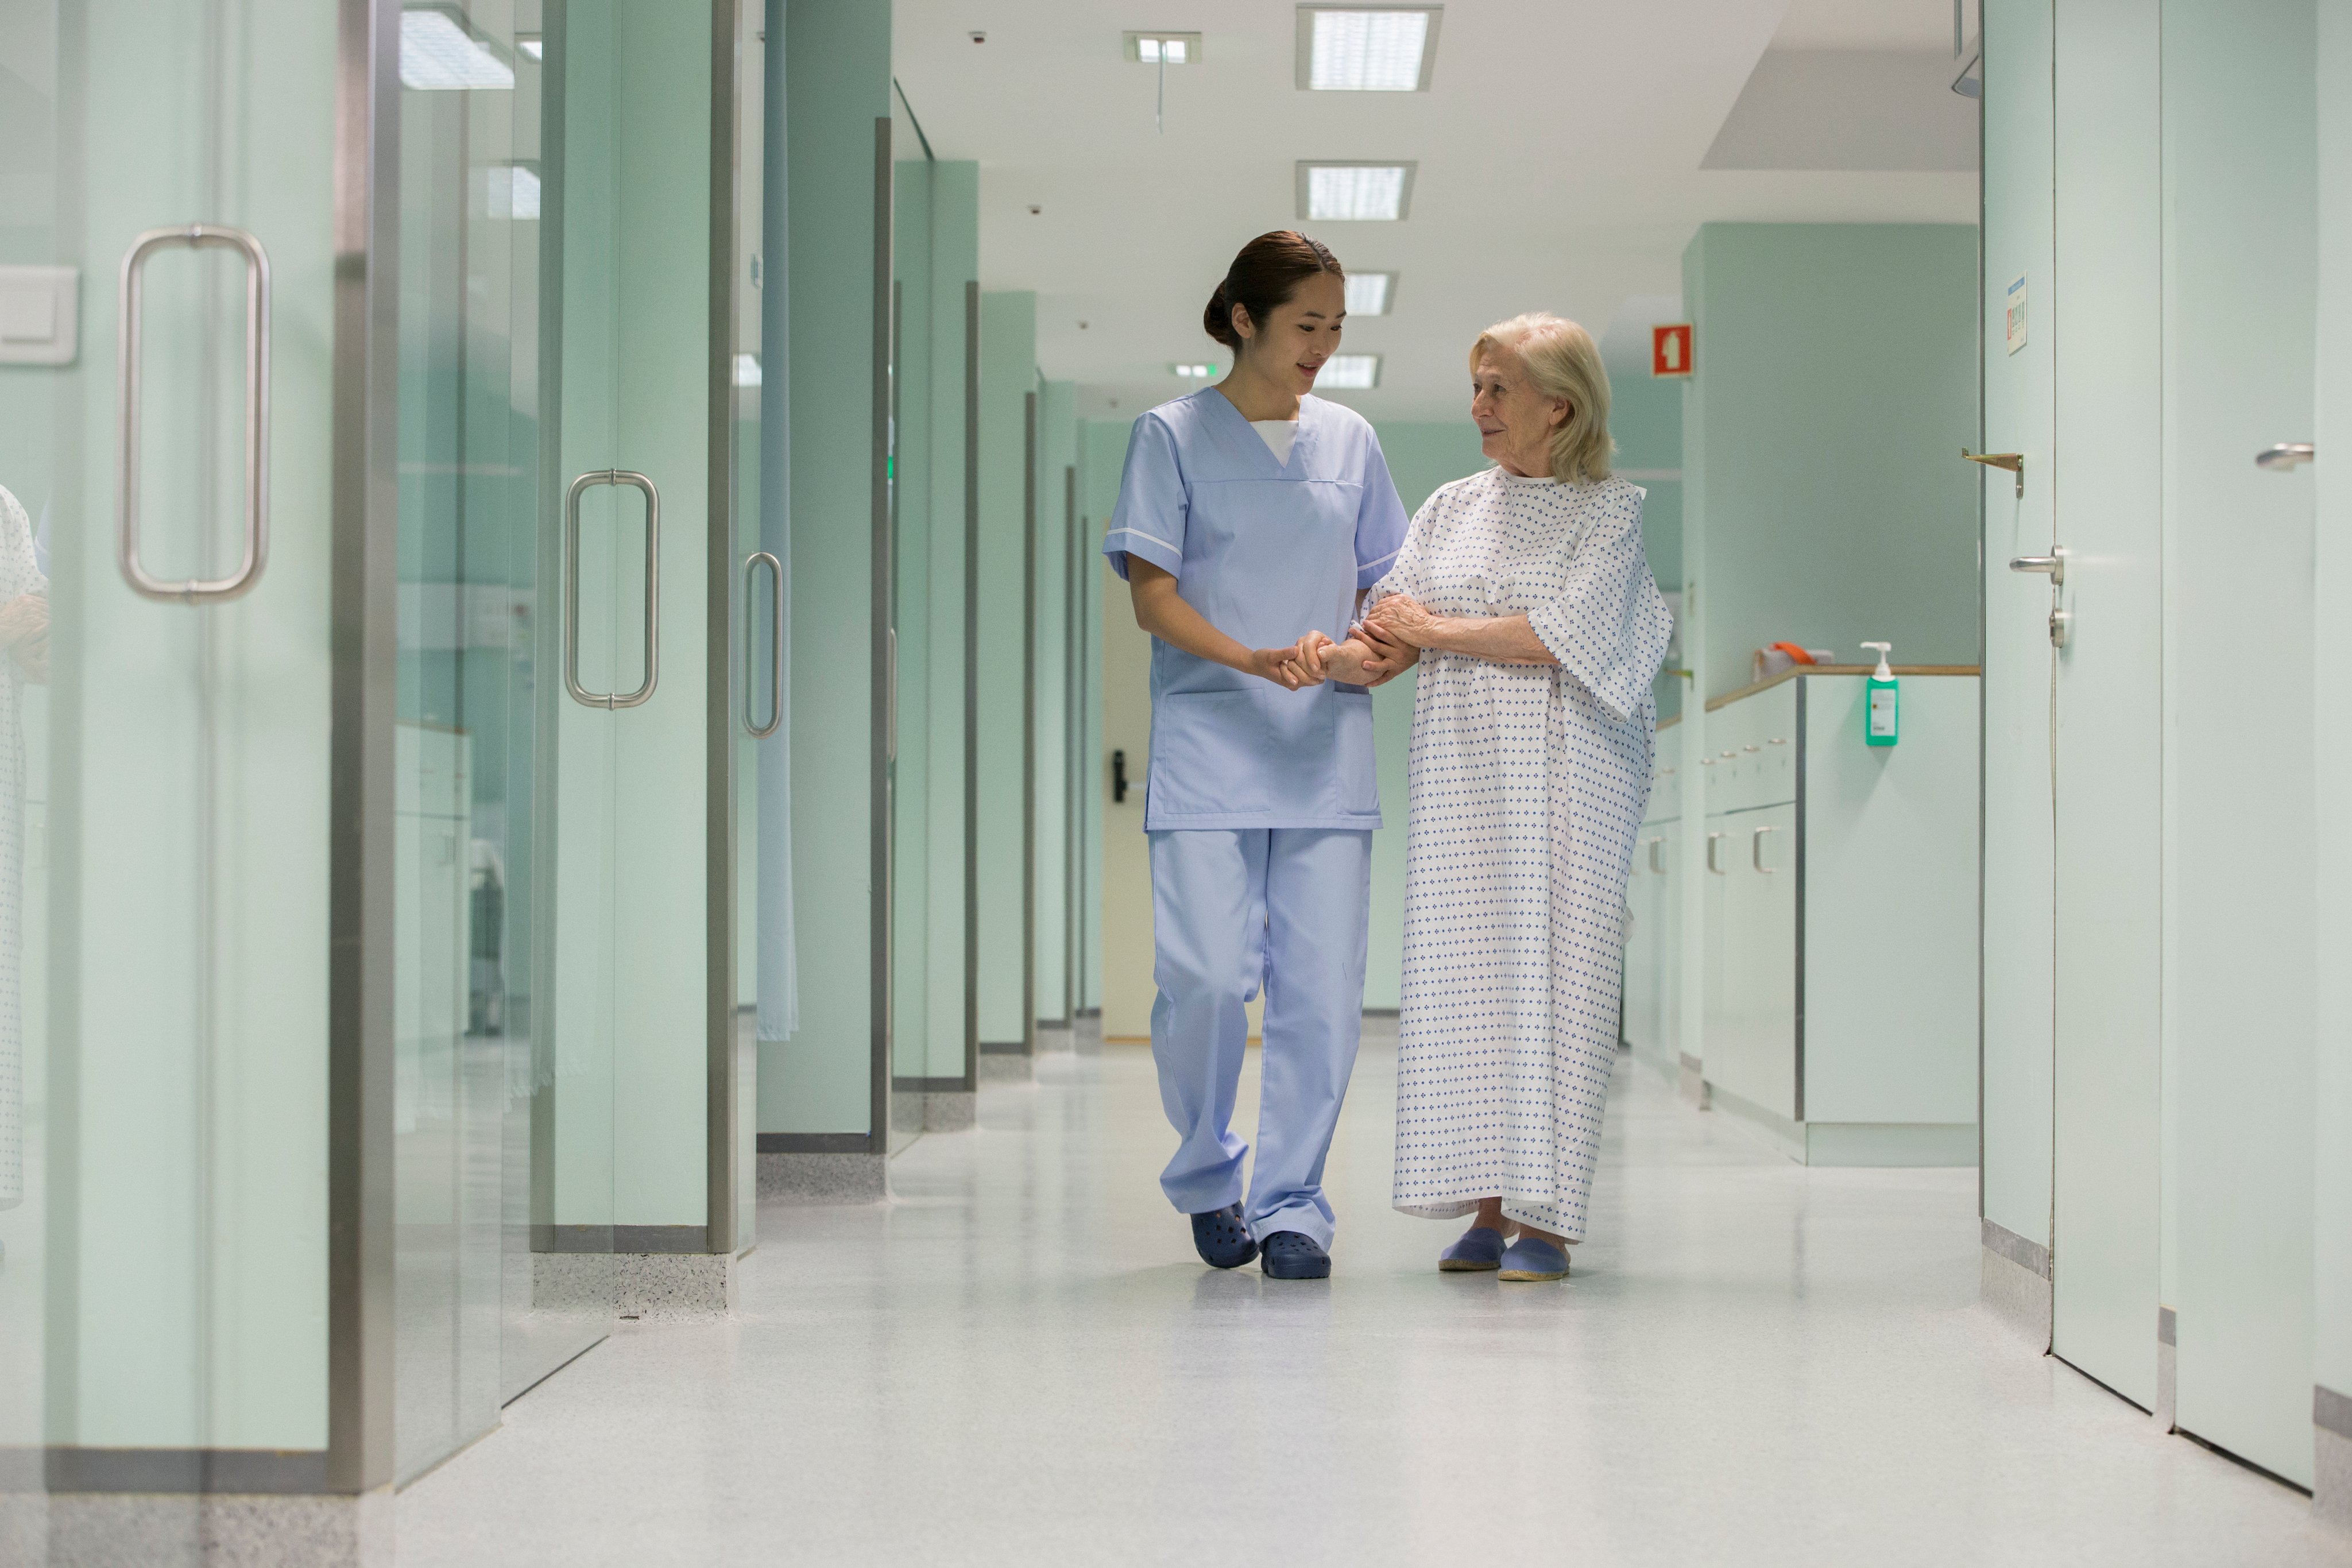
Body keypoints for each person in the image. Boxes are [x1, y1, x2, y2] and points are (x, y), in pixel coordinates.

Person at [1102, 230, 1410, 1281]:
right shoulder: (1171, 435)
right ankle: (1207, 1177)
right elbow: (1154, 596)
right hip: (1208, 740)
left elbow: (1388, 598)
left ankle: (1292, 1208)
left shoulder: (1352, 442)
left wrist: (1374, 655)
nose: (1321, 346)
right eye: (1305, 325)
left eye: (1335, 327)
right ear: (1245, 320)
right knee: (1200, 979)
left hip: (1324, 750)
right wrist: (1253, 658)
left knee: (1321, 992)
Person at [1343, 312, 1671, 1283]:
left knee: (1561, 981)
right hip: (1464, 782)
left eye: (1498, 389)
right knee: (1471, 980)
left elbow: (1556, 635)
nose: (1477, 405)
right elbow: (1393, 633)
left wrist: (1435, 626)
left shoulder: (1608, 512)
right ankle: (1487, 1208)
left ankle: (1550, 1222)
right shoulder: (1449, 506)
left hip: (1573, 780)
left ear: (1556, 407)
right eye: (1476, 384)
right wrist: (1333, 659)